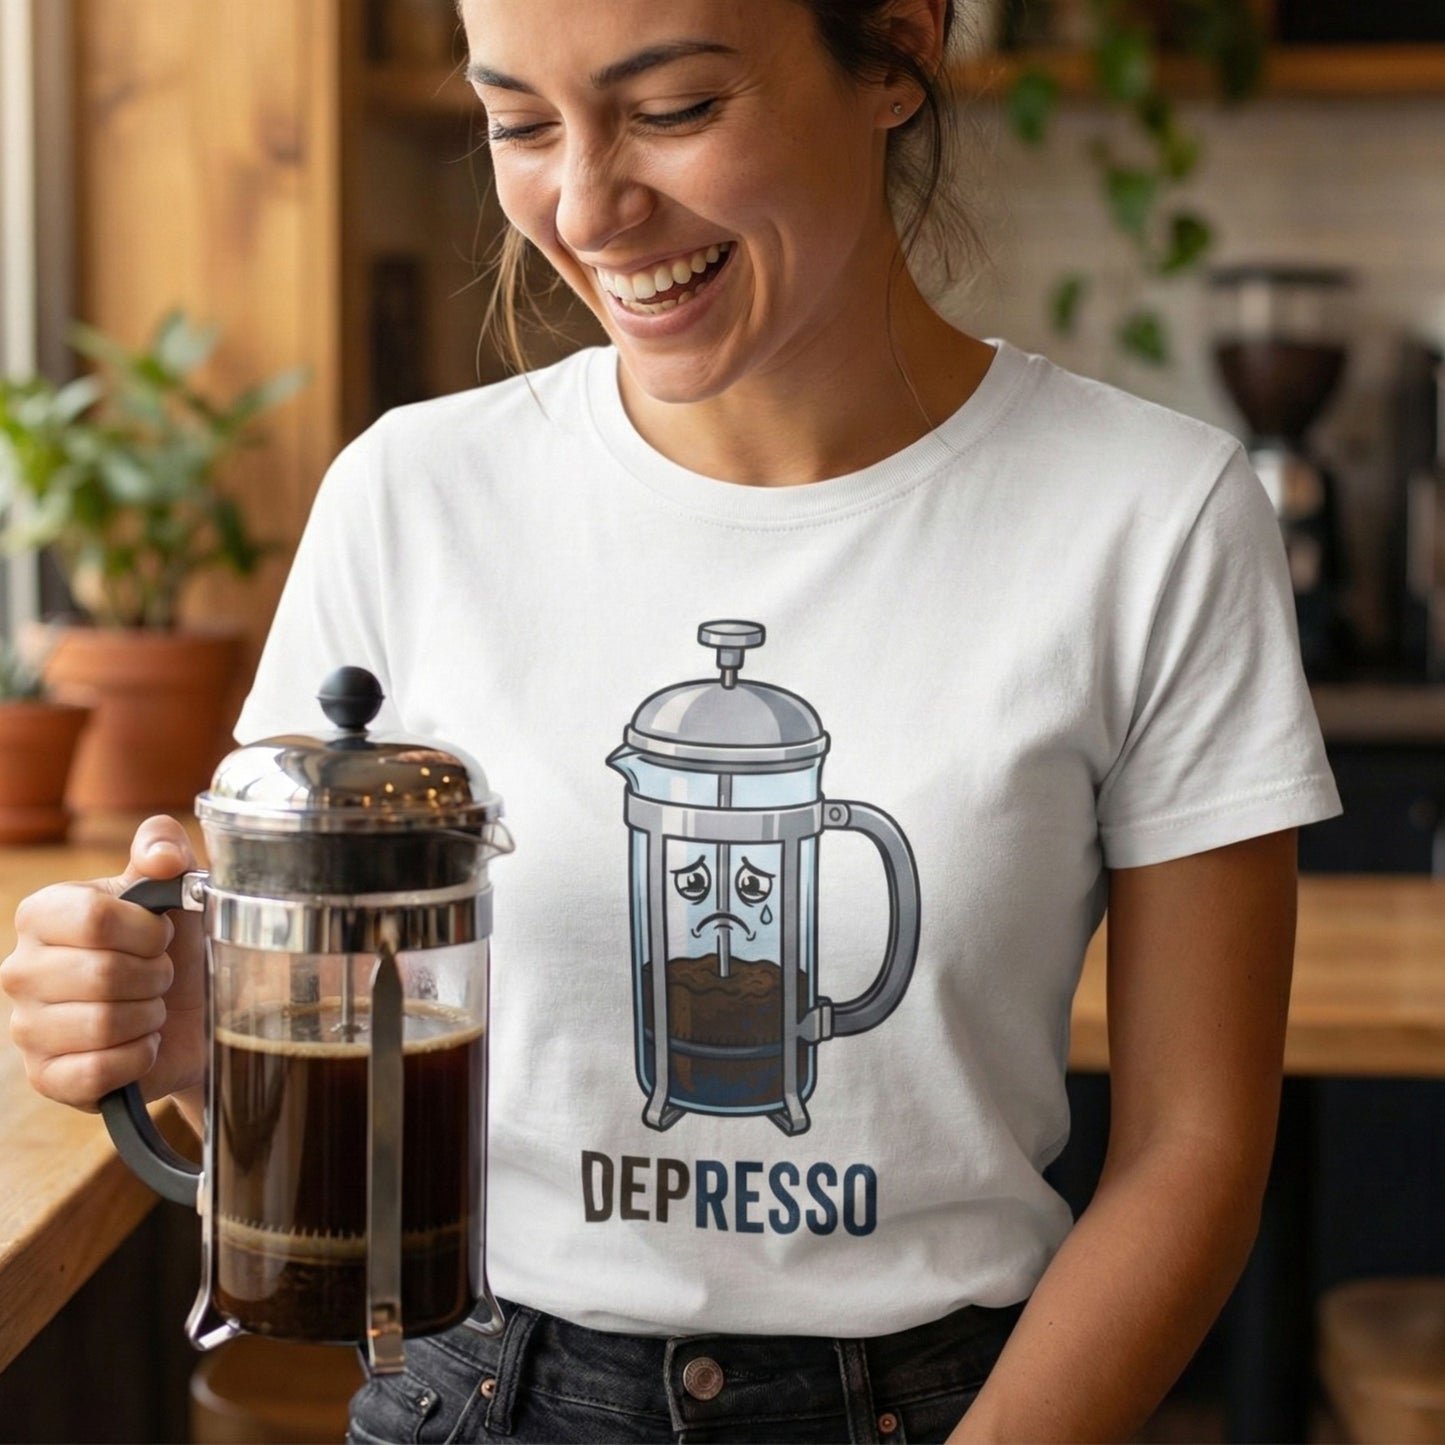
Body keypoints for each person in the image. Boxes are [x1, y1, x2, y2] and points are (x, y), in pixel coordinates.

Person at [1, 1, 1342, 1440]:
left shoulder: (1152, 518)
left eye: (674, 110)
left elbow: (1193, 1152)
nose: (585, 210)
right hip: (475, 1389)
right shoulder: (410, 497)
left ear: (897, 49)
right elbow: (337, 1084)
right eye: (520, 124)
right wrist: (194, 1035)